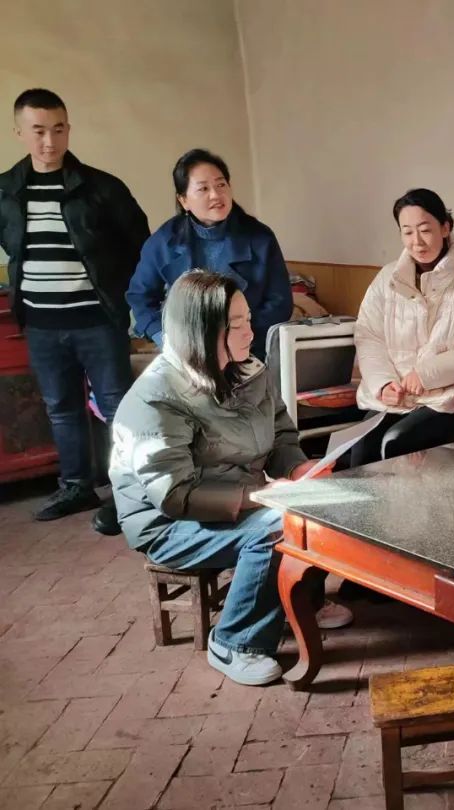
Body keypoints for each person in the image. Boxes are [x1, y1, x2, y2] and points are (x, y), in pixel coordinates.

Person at [110, 271, 350, 685]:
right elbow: (175, 495)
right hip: (170, 523)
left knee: (320, 501)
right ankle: (235, 641)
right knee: (278, 526)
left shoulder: (249, 371)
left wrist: (298, 469)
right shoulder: (156, 397)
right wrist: (262, 496)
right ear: (200, 332)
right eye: (234, 324)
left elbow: (281, 435)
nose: (249, 332)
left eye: (248, 319)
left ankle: (299, 603)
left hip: (240, 497)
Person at [0, 88, 149, 531]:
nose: (50, 141)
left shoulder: (102, 187)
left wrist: (126, 302)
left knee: (118, 407)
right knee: (61, 407)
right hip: (41, 322)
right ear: (19, 132)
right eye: (38, 131)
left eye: (59, 129)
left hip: (98, 319)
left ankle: (130, 490)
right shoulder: (6, 190)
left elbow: (139, 245)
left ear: (69, 129)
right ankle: (76, 487)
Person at [349, 188, 454, 466]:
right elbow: (368, 335)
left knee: (396, 442)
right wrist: (383, 383)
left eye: (425, 230)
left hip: (446, 399)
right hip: (395, 398)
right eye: (407, 232)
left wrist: (426, 374)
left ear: (445, 227)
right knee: (361, 446)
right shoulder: (387, 278)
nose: (417, 242)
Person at [127, 148, 292, 360]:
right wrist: (166, 339)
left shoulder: (260, 238)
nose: (215, 195)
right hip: (188, 353)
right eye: (203, 188)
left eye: (221, 185)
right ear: (184, 200)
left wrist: (239, 337)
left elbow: (279, 302)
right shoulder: (164, 241)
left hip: (249, 350)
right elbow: (140, 296)